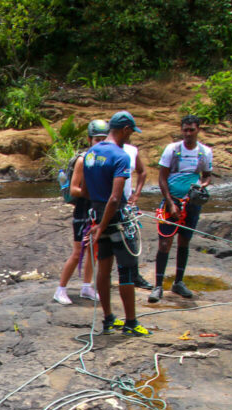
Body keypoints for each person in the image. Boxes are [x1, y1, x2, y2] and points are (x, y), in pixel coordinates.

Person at [81, 110, 151, 337]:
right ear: (125, 130)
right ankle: (131, 322)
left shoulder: (91, 154)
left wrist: (99, 221)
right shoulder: (121, 156)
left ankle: (108, 318)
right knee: (126, 270)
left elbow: (85, 189)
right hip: (116, 217)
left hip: (97, 213)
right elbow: (115, 196)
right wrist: (104, 224)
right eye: (131, 132)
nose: (131, 137)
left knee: (104, 266)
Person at [148, 115, 213, 303]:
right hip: (171, 201)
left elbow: (207, 176)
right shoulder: (172, 150)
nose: (188, 133)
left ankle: (179, 282)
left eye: (192, 130)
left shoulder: (205, 152)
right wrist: (170, 202)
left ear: (198, 130)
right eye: (185, 130)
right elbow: (162, 178)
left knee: (184, 241)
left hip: (191, 204)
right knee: (164, 243)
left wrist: (201, 186)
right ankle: (158, 285)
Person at [53, 119, 107, 305]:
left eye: (104, 139)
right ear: (90, 139)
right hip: (83, 210)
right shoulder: (84, 160)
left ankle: (86, 286)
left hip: (97, 210)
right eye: (97, 139)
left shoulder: (105, 160)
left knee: (94, 250)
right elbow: (74, 189)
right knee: (78, 252)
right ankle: (60, 289)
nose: (100, 143)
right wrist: (94, 191)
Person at [122, 134, 152, 290]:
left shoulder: (132, 150)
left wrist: (136, 194)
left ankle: (135, 276)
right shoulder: (103, 151)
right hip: (107, 204)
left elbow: (142, 172)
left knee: (131, 241)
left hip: (126, 204)